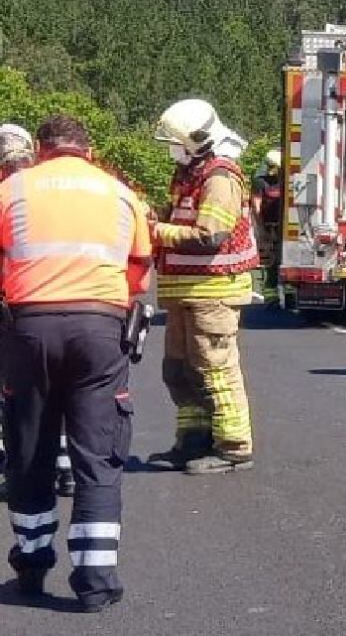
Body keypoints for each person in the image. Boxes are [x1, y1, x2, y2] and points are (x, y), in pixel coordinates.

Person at [0, 115, 152, 611]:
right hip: (100, 329)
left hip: (28, 328)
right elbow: (140, 273)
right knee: (98, 454)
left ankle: (31, 566)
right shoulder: (120, 193)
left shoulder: (14, 188)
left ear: (41, 149)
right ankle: (95, 582)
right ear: (88, 150)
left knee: (29, 446)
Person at [146, 98, 259, 474]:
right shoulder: (190, 175)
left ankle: (233, 447)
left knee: (215, 369)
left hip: (213, 293)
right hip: (187, 294)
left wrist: (156, 230)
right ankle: (192, 442)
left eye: (174, 142)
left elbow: (210, 236)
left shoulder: (220, 178)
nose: (170, 149)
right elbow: (180, 218)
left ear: (196, 140)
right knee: (179, 370)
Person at [0, 124, 74, 503]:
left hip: (18, 305)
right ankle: (63, 464)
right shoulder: (49, 187)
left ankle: (19, 465)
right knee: (58, 388)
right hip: (61, 299)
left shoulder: (8, 191)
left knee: (18, 392)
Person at [251, 149, 283, 290]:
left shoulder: (284, 181)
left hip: (283, 225)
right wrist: (260, 229)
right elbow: (256, 206)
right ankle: (270, 284)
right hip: (268, 224)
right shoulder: (260, 182)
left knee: (279, 254)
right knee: (270, 255)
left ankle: (276, 284)